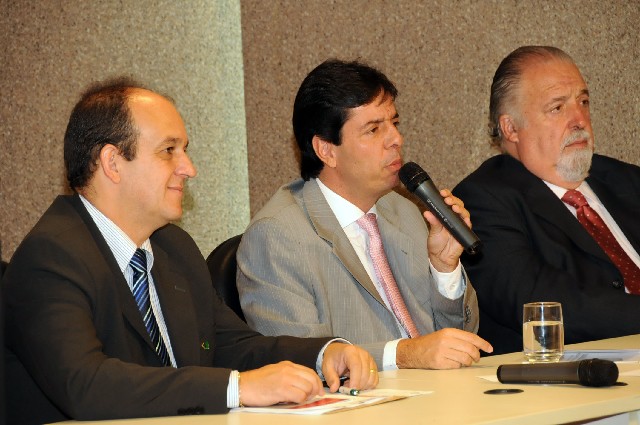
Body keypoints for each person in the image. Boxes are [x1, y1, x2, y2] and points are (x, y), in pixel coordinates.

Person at [3, 77, 378, 424]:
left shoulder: (173, 246)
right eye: (168, 150)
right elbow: (86, 385)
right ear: (112, 163)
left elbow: (229, 345)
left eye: (185, 150)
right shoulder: (51, 258)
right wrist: (237, 388)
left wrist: (322, 354)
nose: (189, 168)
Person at [236, 59, 492, 371]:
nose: (396, 139)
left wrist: (443, 268)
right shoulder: (277, 236)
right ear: (326, 150)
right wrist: (403, 354)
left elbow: (462, 338)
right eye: (373, 129)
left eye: (394, 123)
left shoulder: (404, 212)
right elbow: (298, 360)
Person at [453, 45, 640, 355]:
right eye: (557, 108)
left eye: (583, 102)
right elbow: (542, 303)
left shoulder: (628, 180)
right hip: (578, 369)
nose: (579, 119)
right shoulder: (484, 199)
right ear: (511, 128)